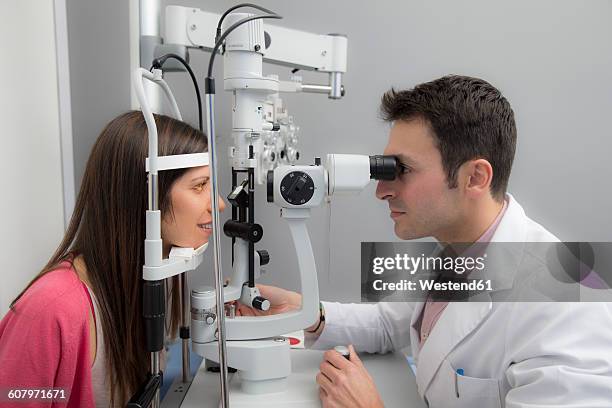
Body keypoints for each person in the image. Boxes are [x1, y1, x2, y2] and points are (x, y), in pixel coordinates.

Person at [237, 75, 612, 407]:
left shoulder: (570, 307)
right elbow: (392, 324)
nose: (381, 191)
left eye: (403, 171)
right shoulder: (456, 244)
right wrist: (309, 314)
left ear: (475, 178)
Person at [0, 111, 226, 407]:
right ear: (143, 195)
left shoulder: (151, 275)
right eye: (199, 186)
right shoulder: (51, 309)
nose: (219, 204)